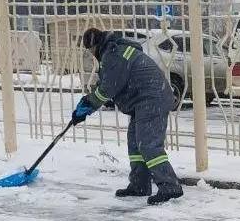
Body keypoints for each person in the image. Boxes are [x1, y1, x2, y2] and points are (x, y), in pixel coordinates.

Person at [72, 28, 183, 205]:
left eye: (90, 50)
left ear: (94, 46)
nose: (91, 55)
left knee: (148, 144)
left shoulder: (114, 54)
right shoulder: (114, 51)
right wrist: (88, 101)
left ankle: (170, 187)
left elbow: (108, 88)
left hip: (151, 98)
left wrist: (88, 105)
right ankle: (139, 185)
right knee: (135, 143)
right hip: (143, 100)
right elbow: (109, 82)